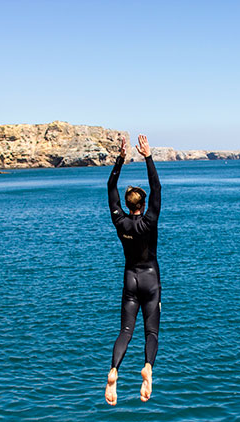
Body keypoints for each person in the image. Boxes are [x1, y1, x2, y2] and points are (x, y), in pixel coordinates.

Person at [105, 135, 161, 406]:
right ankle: (147, 368)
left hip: (130, 278)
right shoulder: (150, 220)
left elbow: (110, 186)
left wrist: (120, 158)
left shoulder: (120, 222)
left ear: (127, 205)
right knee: (151, 333)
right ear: (143, 204)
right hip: (150, 280)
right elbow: (157, 187)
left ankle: (114, 370)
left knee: (126, 330)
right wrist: (148, 156)